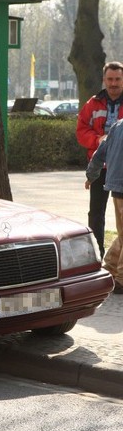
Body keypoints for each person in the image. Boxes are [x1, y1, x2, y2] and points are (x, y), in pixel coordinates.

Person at [77, 61, 123, 259]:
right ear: (104, 80)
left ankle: (116, 263)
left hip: (121, 167)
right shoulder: (93, 104)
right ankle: (96, 256)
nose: (113, 83)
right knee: (96, 213)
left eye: (118, 79)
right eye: (110, 79)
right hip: (100, 165)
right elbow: (81, 131)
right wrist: (97, 140)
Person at [86, 118, 123, 293]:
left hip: (117, 187)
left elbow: (100, 153)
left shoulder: (118, 126)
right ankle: (121, 279)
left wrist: (91, 175)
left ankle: (109, 268)